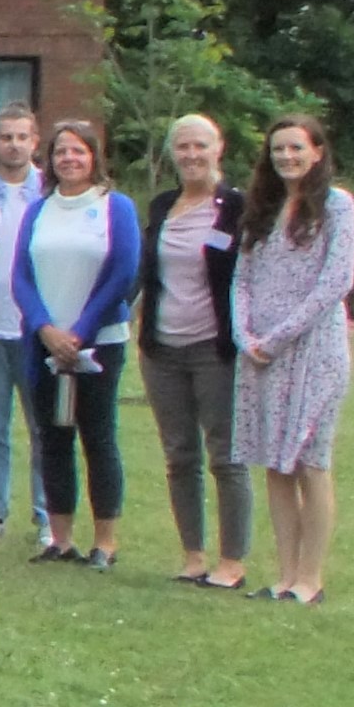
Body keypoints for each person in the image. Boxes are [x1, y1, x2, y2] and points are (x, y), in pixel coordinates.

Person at [231, 115, 352, 606]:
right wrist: (246, 336)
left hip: (313, 351)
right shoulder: (262, 207)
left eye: (297, 148)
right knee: (275, 464)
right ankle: (283, 576)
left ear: (317, 151)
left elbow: (335, 282)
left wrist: (278, 337)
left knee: (310, 460)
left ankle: (310, 578)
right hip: (259, 353)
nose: (287, 157)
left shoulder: (337, 206)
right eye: (279, 149)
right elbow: (241, 278)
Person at [14, 121, 140, 569]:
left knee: (98, 437)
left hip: (98, 343)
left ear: (95, 158)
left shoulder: (115, 207)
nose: (69, 159)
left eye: (78, 152)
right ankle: (60, 538)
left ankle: (105, 542)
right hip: (44, 344)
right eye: (61, 152)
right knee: (52, 437)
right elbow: (21, 276)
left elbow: (123, 272)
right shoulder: (38, 210)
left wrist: (81, 330)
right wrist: (45, 328)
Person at [139, 115, 247, 588]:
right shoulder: (163, 206)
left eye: (201, 145)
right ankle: (193, 555)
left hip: (214, 348)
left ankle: (232, 562)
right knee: (179, 455)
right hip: (162, 347)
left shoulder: (237, 207)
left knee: (225, 456)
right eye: (182, 147)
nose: (191, 155)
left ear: (218, 148)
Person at [0, 106, 46, 538]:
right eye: (6, 137)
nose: (14, 144)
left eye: (22, 137)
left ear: (34, 142)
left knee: (43, 427)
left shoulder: (50, 190)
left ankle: (46, 514)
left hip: (37, 327)